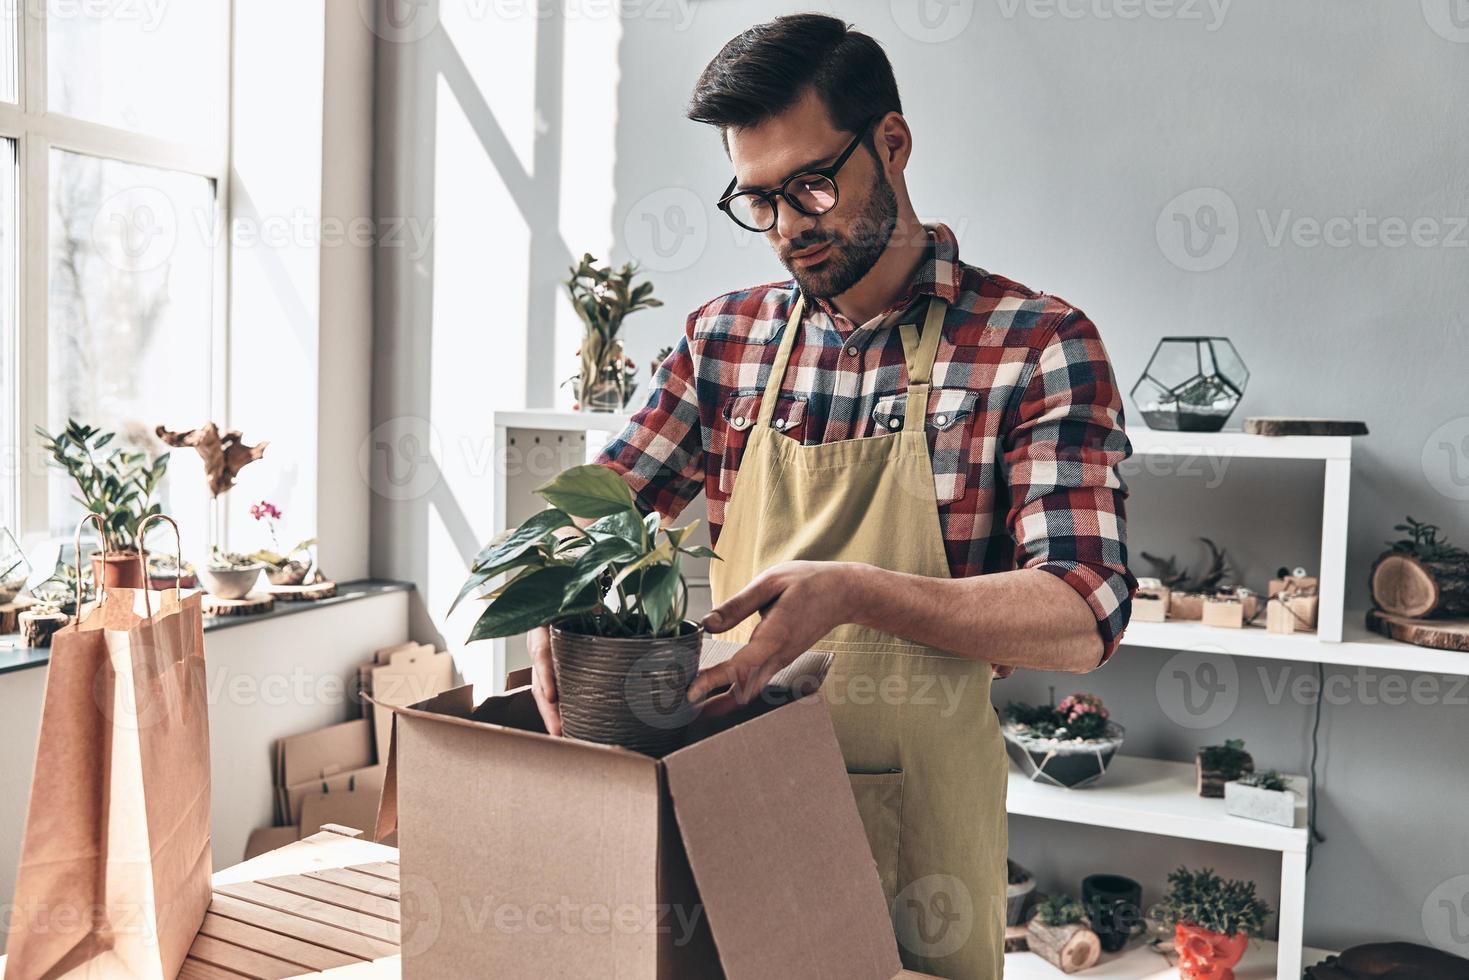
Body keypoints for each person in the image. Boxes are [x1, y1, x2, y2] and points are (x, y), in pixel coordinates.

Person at [526, 14, 1136, 978]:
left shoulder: (1033, 344)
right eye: (758, 201)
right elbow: (603, 506)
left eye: (812, 184)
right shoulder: (722, 339)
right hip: (727, 802)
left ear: (890, 143)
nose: (789, 229)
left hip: (920, 834)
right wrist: (550, 593)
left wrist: (855, 592)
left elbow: (1082, 614)